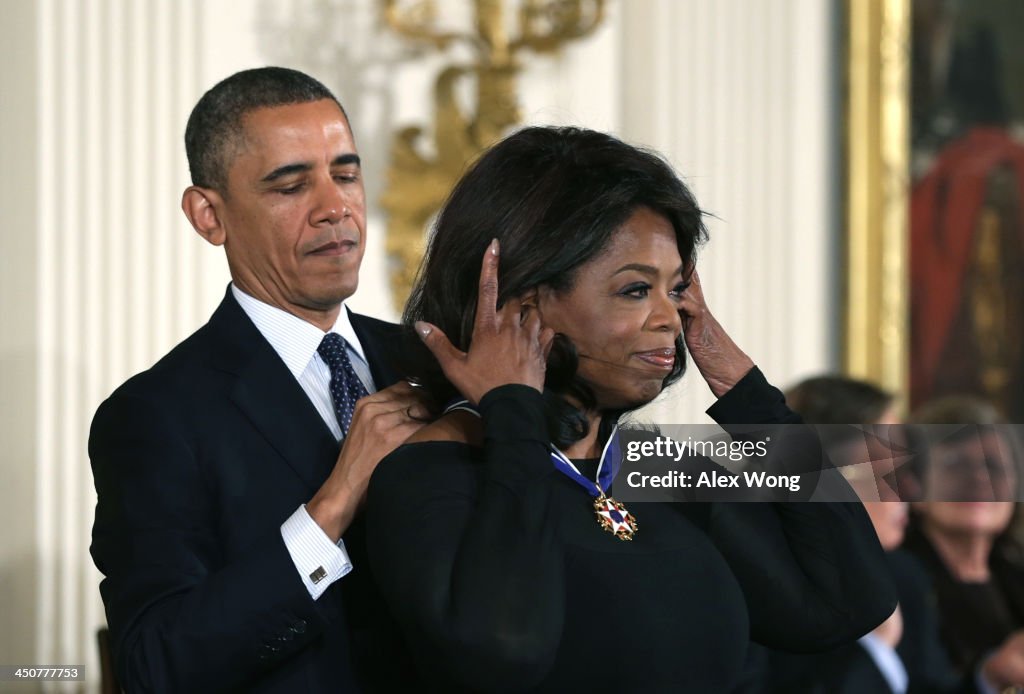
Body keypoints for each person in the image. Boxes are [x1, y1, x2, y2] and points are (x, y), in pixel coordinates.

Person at [365, 126, 897, 692]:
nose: (670, 318)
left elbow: (848, 598)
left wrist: (750, 396)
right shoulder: (434, 470)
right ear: (523, 308)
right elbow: (504, 652)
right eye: (636, 290)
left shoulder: (657, 468)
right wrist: (512, 411)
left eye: (676, 290)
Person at [89, 67, 428, 692]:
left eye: (346, 174)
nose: (336, 208)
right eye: (291, 186)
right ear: (208, 215)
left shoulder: (431, 362)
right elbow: (154, 663)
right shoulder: (154, 416)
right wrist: (329, 509)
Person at [904, 397, 1024, 689]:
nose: (980, 478)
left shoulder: (1015, 572)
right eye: (956, 463)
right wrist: (988, 679)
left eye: (994, 466)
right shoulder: (894, 583)